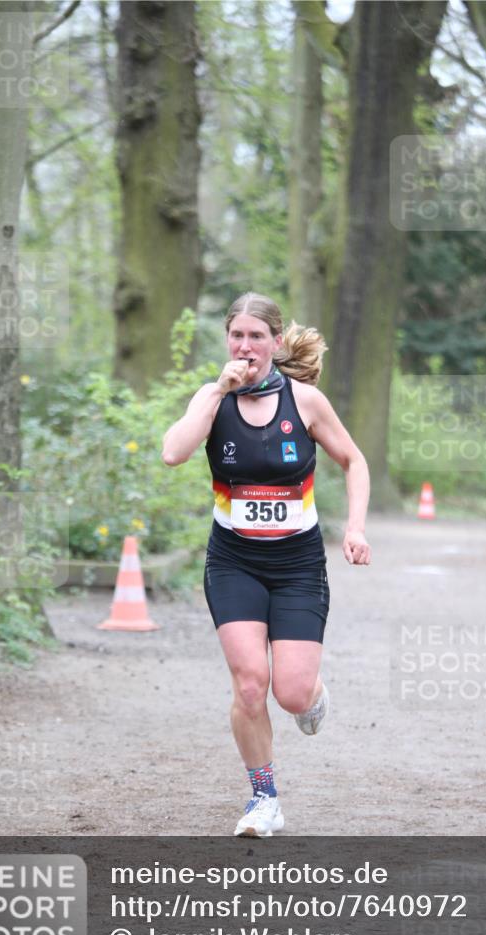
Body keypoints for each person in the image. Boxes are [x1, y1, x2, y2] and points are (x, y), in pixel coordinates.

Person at [162, 291, 371, 836]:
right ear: (227, 341)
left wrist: (354, 528)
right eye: (237, 335)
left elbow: (353, 460)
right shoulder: (212, 398)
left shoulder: (305, 402)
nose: (246, 345)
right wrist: (218, 392)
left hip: (298, 565)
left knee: (291, 693)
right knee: (250, 685)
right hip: (233, 562)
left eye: (257, 336)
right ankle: (264, 799)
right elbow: (173, 452)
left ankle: (315, 696)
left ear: (276, 343)